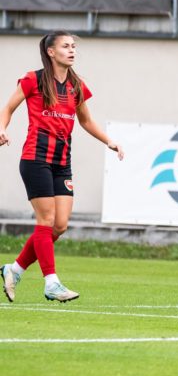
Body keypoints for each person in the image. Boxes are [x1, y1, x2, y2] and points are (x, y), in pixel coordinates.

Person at [0, 32, 124, 304]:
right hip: (36, 159)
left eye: (74, 46)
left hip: (61, 163)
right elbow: (7, 108)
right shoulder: (33, 79)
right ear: (51, 52)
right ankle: (51, 283)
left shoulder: (76, 85)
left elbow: (86, 121)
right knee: (45, 221)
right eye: (66, 46)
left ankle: (14, 269)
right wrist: (2, 129)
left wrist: (109, 141)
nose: (72, 50)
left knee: (59, 225)